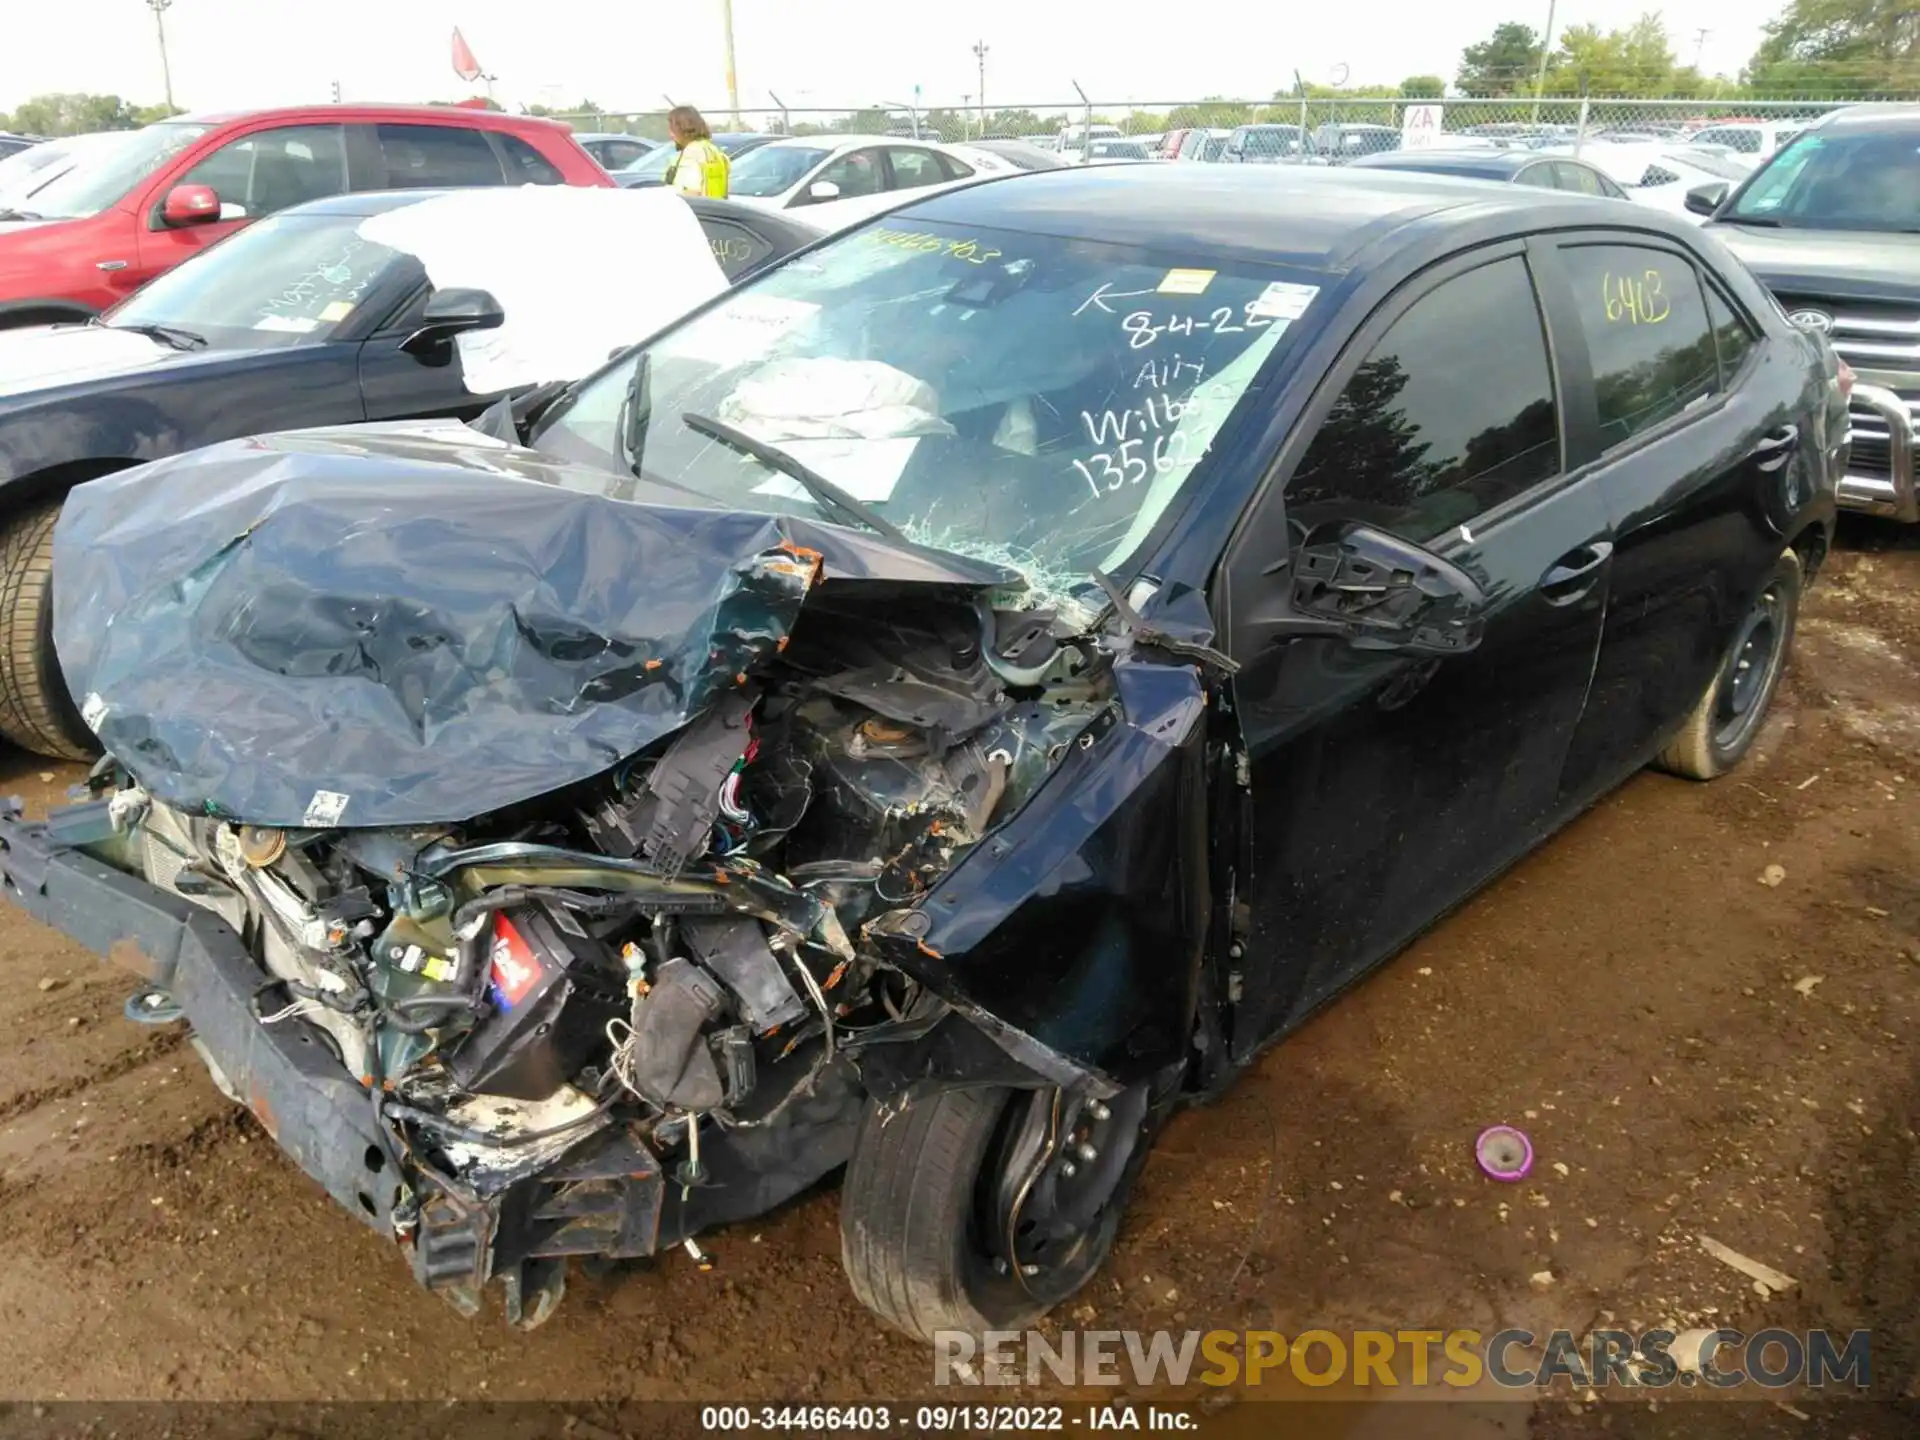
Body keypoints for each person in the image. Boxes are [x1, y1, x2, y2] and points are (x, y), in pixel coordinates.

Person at [664, 106, 729, 198]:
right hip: (716, 209)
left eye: (672, 129)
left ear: (683, 129)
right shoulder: (712, 149)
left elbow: (691, 192)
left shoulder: (691, 153)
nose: (670, 134)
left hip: (695, 210)